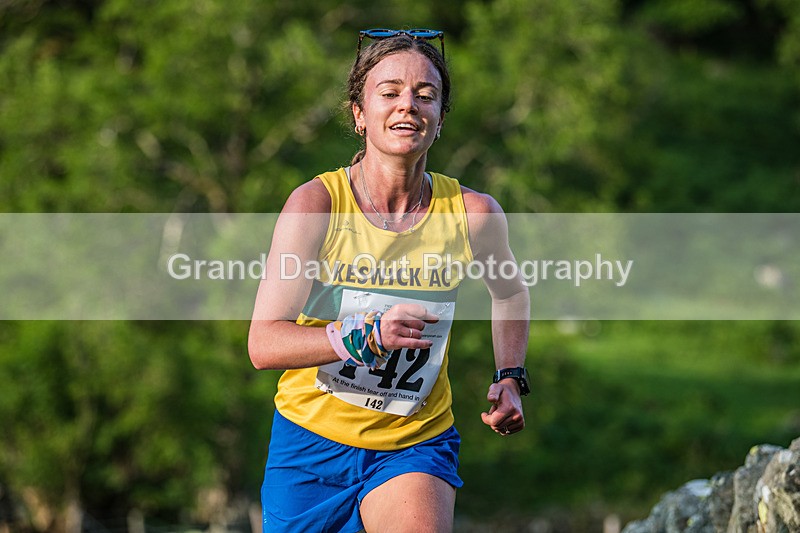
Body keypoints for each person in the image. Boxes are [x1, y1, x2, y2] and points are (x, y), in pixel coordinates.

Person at [248, 28, 531, 533]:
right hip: (310, 443)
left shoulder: (473, 213)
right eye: (390, 92)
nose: (409, 106)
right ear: (359, 114)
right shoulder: (316, 205)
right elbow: (264, 342)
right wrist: (360, 337)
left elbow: (509, 292)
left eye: (426, 96)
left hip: (413, 440)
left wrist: (509, 375)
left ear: (441, 118)